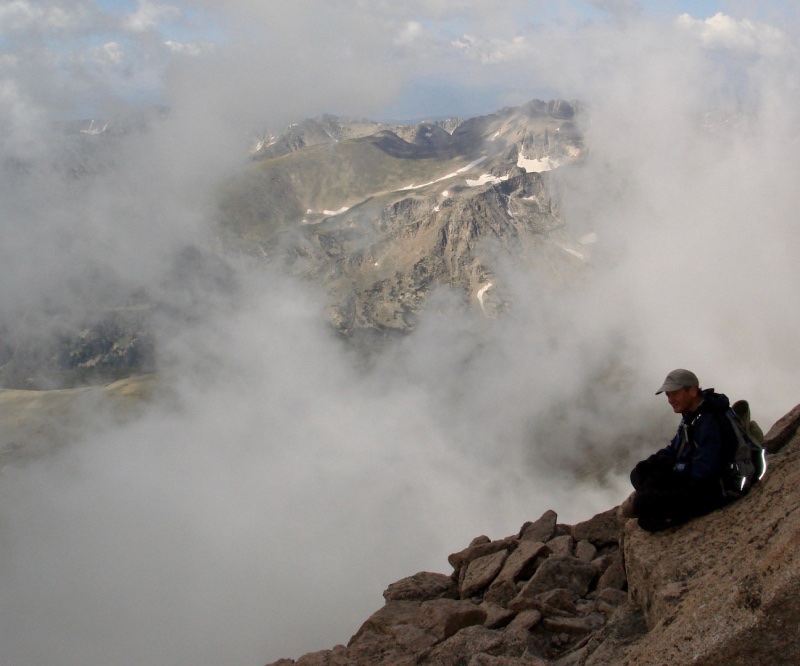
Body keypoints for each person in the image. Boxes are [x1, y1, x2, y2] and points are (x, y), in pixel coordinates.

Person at [624, 369, 738, 532]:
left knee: (645, 511)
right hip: (694, 477)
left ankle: (669, 511)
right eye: (668, 395)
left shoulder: (711, 420)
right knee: (639, 474)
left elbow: (704, 472)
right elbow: (675, 449)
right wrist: (652, 463)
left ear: (692, 391)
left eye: (674, 394)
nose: (670, 400)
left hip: (717, 487)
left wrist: (674, 474)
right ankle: (656, 503)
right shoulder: (693, 415)